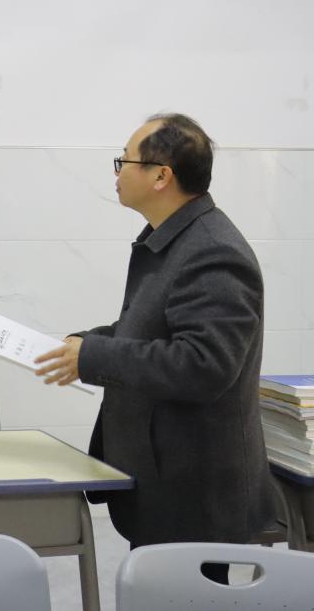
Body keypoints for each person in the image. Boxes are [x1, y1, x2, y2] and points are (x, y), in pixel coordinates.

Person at [34, 114, 275, 573]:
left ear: (162, 175)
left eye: (124, 161)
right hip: (166, 481)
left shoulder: (213, 250)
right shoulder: (174, 239)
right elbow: (153, 330)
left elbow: (203, 365)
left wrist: (95, 357)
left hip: (196, 496)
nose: (117, 172)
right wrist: (86, 344)